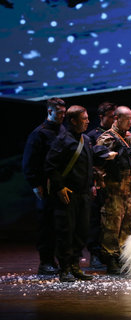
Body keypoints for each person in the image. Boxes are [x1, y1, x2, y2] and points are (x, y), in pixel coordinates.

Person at [45, 105, 116, 282]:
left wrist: (104, 158)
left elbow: (89, 163)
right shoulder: (62, 140)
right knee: (66, 232)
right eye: (84, 119)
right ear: (73, 121)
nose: (87, 121)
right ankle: (65, 269)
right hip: (68, 195)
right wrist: (59, 187)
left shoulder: (86, 139)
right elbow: (50, 166)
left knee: (81, 232)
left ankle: (75, 266)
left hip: (84, 194)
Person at [22, 97, 66, 275]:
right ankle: (46, 262)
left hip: (61, 184)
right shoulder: (39, 133)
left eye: (64, 113)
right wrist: (35, 184)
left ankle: (60, 260)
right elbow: (29, 162)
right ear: (50, 111)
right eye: (60, 113)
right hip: (45, 186)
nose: (63, 116)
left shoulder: (63, 130)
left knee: (61, 225)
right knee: (47, 225)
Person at [95, 106, 131, 275]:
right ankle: (111, 258)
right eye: (126, 119)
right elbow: (98, 164)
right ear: (116, 118)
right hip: (114, 188)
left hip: (130, 188)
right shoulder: (106, 138)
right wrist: (101, 183)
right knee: (112, 225)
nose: (130, 122)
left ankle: (124, 256)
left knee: (129, 223)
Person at [86, 101, 116, 269]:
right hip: (99, 184)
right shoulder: (92, 136)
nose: (114, 120)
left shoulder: (119, 135)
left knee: (112, 221)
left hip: (115, 184)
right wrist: (92, 183)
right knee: (96, 220)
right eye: (111, 117)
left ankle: (110, 254)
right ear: (101, 117)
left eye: (115, 117)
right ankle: (95, 254)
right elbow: (88, 162)